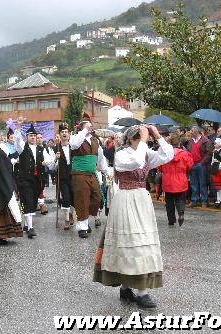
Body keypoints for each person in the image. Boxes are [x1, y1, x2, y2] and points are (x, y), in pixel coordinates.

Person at [93, 125, 174, 309]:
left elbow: (168, 155)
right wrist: (145, 141)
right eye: (138, 136)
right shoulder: (122, 155)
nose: (141, 139)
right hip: (125, 199)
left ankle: (130, 289)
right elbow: (136, 162)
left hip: (141, 200)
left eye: (142, 136)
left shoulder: (144, 152)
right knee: (128, 244)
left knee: (141, 243)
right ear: (130, 139)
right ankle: (136, 291)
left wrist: (157, 135)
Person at [69, 114, 113, 238]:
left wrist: (107, 172)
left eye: (90, 125)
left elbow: (101, 159)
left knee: (97, 197)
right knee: (82, 199)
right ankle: (82, 227)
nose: (90, 127)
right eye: (87, 125)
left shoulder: (95, 141)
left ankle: (85, 221)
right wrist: (83, 130)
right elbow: (74, 145)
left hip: (92, 173)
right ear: (81, 127)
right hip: (79, 174)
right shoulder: (75, 137)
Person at [13, 117, 53, 238]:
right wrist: (19, 126)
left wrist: (49, 161)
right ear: (27, 137)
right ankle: (30, 227)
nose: (33, 138)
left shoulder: (41, 149)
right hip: (25, 179)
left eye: (34, 136)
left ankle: (26, 223)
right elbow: (17, 139)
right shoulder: (22, 148)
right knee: (28, 201)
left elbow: (49, 159)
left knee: (33, 201)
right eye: (30, 136)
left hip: (37, 180)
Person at [158, 133, 193, 226]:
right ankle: (181, 214)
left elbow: (160, 167)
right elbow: (190, 166)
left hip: (168, 180)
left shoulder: (166, 154)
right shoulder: (185, 154)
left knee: (169, 201)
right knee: (180, 199)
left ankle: (171, 220)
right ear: (179, 143)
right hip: (181, 180)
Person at [52, 122, 75, 230]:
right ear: (59, 134)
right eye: (62, 132)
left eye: (66, 132)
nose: (64, 133)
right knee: (65, 198)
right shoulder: (55, 148)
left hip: (73, 176)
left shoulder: (74, 147)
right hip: (62, 177)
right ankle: (66, 219)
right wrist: (56, 158)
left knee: (73, 197)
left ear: (69, 134)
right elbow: (52, 167)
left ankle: (71, 214)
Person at [187, 126, 213, 208]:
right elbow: (188, 152)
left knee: (203, 183)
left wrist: (202, 163)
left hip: (201, 165)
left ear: (196, 132)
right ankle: (194, 200)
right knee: (193, 183)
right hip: (192, 164)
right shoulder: (190, 141)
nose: (190, 132)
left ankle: (204, 201)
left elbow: (209, 153)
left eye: (192, 131)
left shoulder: (206, 141)